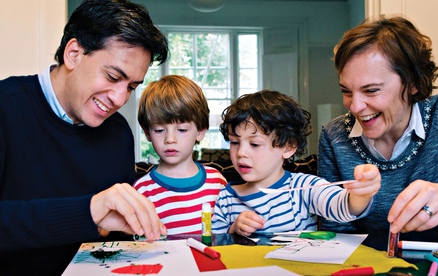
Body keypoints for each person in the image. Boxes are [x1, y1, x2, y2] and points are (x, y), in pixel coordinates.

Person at [0, 0, 169, 274]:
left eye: (131, 87)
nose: (119, 99)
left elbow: (114, 238)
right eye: (113, 76)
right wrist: (89, 211)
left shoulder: (118, 133)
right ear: (74, 54)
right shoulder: (6, 108)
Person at [318, 15, 438, 250]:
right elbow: (335, 235)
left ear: (413, 83)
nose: (355, 107)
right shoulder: (333, 136)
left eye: (371, 90)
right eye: (346, 91)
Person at [212, 90, 381, 236]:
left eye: (255, 144)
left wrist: (361, 194)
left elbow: (344, 207)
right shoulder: (226, 198)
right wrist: (233, 230)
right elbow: (213, 246)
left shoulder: (305, 188)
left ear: (288, 147)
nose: (241, 152)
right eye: (235, 142)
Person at [134, 75, 227, 235]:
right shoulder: (142, 191)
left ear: (200, 131)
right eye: (159, 130)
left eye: (182, 130)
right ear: (147, 132)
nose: (170, 139)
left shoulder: (217, 183)